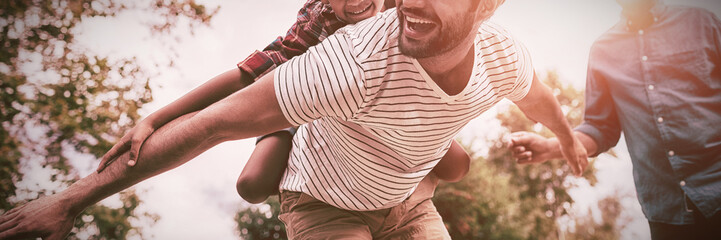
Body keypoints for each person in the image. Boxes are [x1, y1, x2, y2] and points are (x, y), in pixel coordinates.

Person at [0, 0, 588, 239]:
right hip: (326, 190)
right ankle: (297, 153)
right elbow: (219, 111)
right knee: (253, 180)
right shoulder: (342, 56)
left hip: (404, 192)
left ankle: (418, 162)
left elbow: (535, 95)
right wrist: (72, 200)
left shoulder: (502, 52)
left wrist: (562, 139)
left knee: (451, 162)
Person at [96, 0, 471, 205]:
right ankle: (316, 165)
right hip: (311, 103)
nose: (356, 2)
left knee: (458, 166)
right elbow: (249, 72)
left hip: (388, 105)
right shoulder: (318, 21)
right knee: (252, 185)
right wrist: (156, 118)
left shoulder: (406, 9)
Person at [508, 0, 721, 239]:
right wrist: (551, 147)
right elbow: (600, 128)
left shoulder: (703, 24)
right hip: (667, 211)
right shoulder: (603, 51)